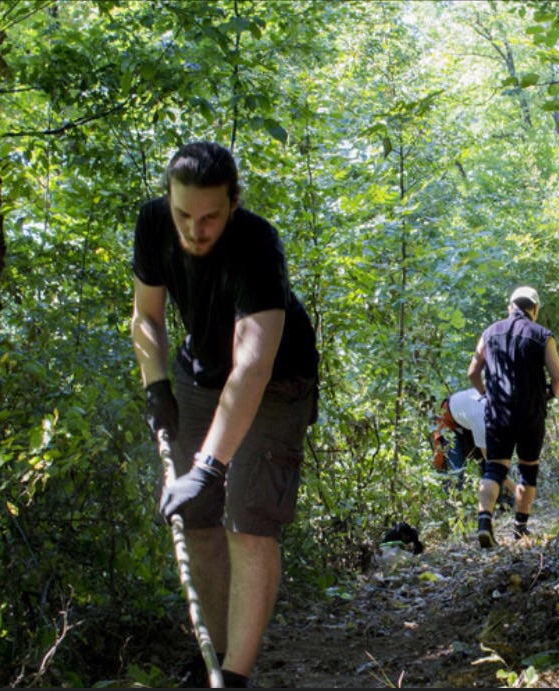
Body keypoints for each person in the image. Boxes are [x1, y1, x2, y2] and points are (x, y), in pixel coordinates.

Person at [131, 141, 319, 688]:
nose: (195, 230)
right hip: (199, 371)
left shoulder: (257, 245)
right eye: (183, 214)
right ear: (168, 199)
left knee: (249, 520)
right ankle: (210, 654)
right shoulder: (152, 224)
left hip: (277, 378)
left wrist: (210, 467)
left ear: (233, 203)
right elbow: (146, 316)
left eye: (210, 217)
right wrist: (156, 386)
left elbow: (252, 368)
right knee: (197, 516)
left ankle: (233, 676)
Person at [467, 286, 559, 548]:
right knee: (527, 470)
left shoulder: (489, 333)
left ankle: (484, 522)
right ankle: (520, 530)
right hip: (531, 413)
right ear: (534, 309)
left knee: (495, 468)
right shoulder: (542, 335)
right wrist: (549, 395)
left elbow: (472, 373)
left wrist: (487, 393)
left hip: (498, 412)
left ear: (510, 306)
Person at [431, 389, 517, 502]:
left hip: (467, 418)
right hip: (449, 420)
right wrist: (518, 490)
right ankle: (453, 507)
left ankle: (502, 503)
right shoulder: (481, 418)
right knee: (457, 470)